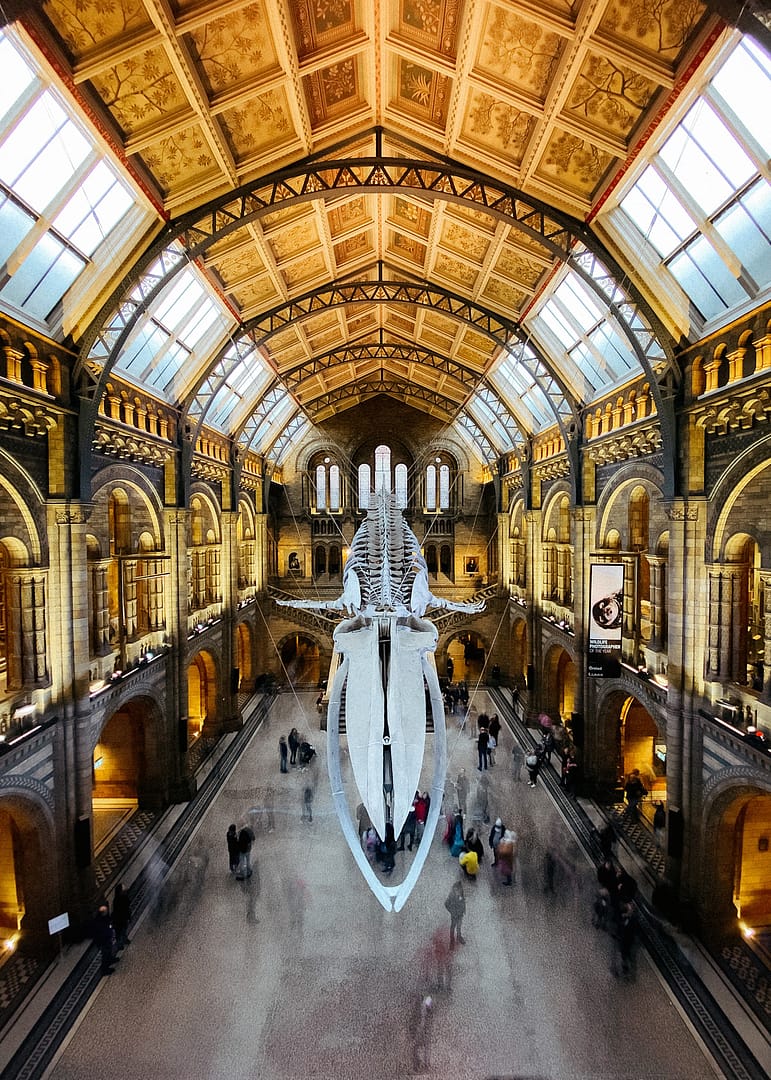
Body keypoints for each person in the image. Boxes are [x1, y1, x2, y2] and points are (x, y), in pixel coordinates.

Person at [410, 992, 434, 1073]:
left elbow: (431, 1012)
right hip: (422, 1029)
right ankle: (419, 1064)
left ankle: (424, 1065)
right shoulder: (417, 1005)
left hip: (424, 1029)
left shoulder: (427, 1000)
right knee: (417, 1047)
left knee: (423, 1046)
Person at [92, 903, 117, 975]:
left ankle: (110, 959)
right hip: (103, 941)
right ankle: (105, 969)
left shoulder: (104, 917)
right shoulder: (98, 921)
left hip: (107, 938)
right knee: (105, 955)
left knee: (109, 951)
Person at [444, 880, 466, 948]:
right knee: (453, 927)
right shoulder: (451, 896)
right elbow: (446, 904)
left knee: (459, 927)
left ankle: (459, 937)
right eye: (457, 889)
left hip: (460, 914)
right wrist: (452, 911)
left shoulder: (461, 893)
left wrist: (463, 910)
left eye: (460, 889)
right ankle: (452, 941)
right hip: (454, 915)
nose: (459, 891)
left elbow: (463, 902)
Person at [112, 882, 131, 950]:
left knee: (124, 930)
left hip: (124, 918)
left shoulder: (124, 897)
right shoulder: (117, 900)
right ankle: (119, 944)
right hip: (119, 920)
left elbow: (127, 905)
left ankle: (125, 939)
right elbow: (119, 911)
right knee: (119, 932)